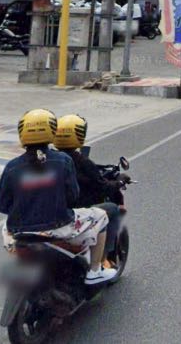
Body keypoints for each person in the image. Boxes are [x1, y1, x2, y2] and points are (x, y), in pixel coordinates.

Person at [0, 109, 115, 285]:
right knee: (102, 216)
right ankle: (95, 271)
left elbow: (1, 205)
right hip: (58, 229)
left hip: (17, 233)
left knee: (6, 225)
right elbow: (73, 197)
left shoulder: (12, 167)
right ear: (52, 130)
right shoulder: (63, 161)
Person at [54, 114, 125, 268]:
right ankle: (101, 262)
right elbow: (102, 187)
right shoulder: (81, 162)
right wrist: (119, 182)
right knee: (111, 210)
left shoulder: (48, 160)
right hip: (72, 216)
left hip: (49, 217)